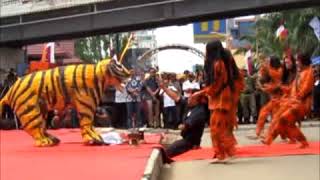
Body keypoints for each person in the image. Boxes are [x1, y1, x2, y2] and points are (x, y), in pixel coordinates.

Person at [189, 40, 242, 162]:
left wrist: (199, 93)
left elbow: (216, 86)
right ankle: (224, 152)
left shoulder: (218, 64)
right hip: (225, 96)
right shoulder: (223, 61)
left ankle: (224, 153)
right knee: (222, 125)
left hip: (222, 98)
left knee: (217, 126)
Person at [262, 53, 314, 148]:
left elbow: (305, 90)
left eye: (298, 61)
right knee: (285, 121)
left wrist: (292, 99)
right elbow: (291, 88)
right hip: (293, 102)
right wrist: (278, 87)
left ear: (303, 62)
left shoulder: (309, 72)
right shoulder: (300, 73)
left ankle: (269, 139)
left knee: (283, 118)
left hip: (302, 104)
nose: (297, 63)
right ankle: (303, 142)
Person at [159, 79, 209, 158]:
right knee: (163, 146)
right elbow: (176, 97)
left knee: (166, 152)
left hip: (191, 143)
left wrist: (181, 126)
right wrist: (164, 88)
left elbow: (187, 125)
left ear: (197, 101)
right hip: (185, 138)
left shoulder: (199, 111)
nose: (188, 99)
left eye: (191, 98)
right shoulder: (189, 104)